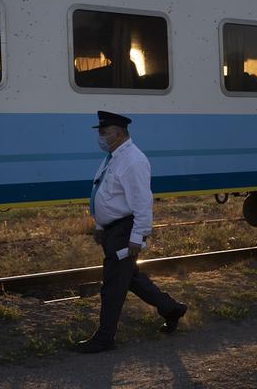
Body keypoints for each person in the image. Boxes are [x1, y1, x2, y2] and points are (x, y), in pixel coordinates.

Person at [76, 111, 187, 354]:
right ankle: (172, 309)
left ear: (117, 133)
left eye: (103, 132)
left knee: (113, 285)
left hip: (125, 230)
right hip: (113, 230)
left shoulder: (133, 160)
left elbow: (142, 202)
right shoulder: (114, 157)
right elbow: (105, 193)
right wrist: (99, 226)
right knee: (130, 278)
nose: (100, 136)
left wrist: (138, 236)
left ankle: (105, 338)